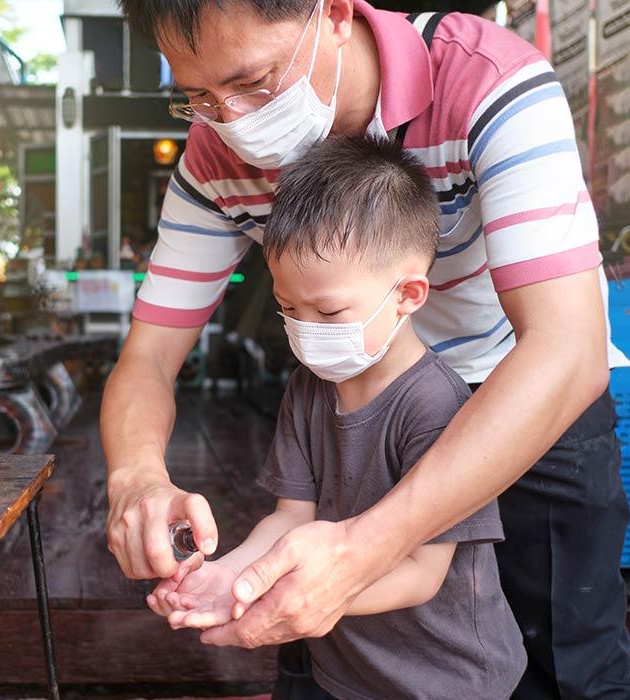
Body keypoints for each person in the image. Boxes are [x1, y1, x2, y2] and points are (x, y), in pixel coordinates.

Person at [102, 0, 630, 696]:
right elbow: (149, 357)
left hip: (521, 395)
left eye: (254, 83)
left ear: (336, 13)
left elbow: (568, 351)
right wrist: (136, 478)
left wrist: (360, 552)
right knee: (318, 643)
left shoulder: (490, 82)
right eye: (199, 97)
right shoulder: (215, 158)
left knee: (567, 665)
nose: (231, 120)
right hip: (350, 396)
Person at [148, 134, 527, 699]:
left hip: (449, 678)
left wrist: (284, 596)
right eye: (288, 308)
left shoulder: (436, 405)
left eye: (327, 310)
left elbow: (423, 574)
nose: (305, 328)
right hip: (349, 672)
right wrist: (231, 577)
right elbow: (289, 519)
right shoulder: (308, 388)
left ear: (408, 294)